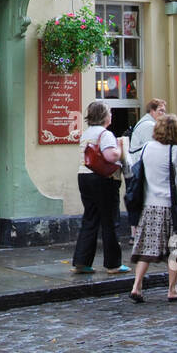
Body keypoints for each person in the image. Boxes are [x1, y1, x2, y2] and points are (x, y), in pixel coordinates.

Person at [127, 114, 177, 302]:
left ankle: (137, 286)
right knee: (175, 250)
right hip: (170, 206)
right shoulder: (175, 151)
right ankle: (172, 289)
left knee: (146, 248)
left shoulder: (146, 148)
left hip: (149, 205)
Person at [72, 101, 131, 275]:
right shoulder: (105, 134)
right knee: (110, 220)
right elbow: (110, 156)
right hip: (103, 179)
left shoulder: (86, 133)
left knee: (90, 218)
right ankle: (113, 264)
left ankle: (81, 261)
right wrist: (121, 148)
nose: (111, 115)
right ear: (104, 116)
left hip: (84, 176)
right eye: (109, 112)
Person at [123, 98, 167, 245]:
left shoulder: (147, 123)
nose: (163, 113)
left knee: (135, 199)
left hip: (135, 167)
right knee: (138, 200)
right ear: (152, 111)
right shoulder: (149, 125)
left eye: (164, 110)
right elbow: (153, 148)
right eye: (160, 110)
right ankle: (136, 234)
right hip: (139, 168)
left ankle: (135, 234)